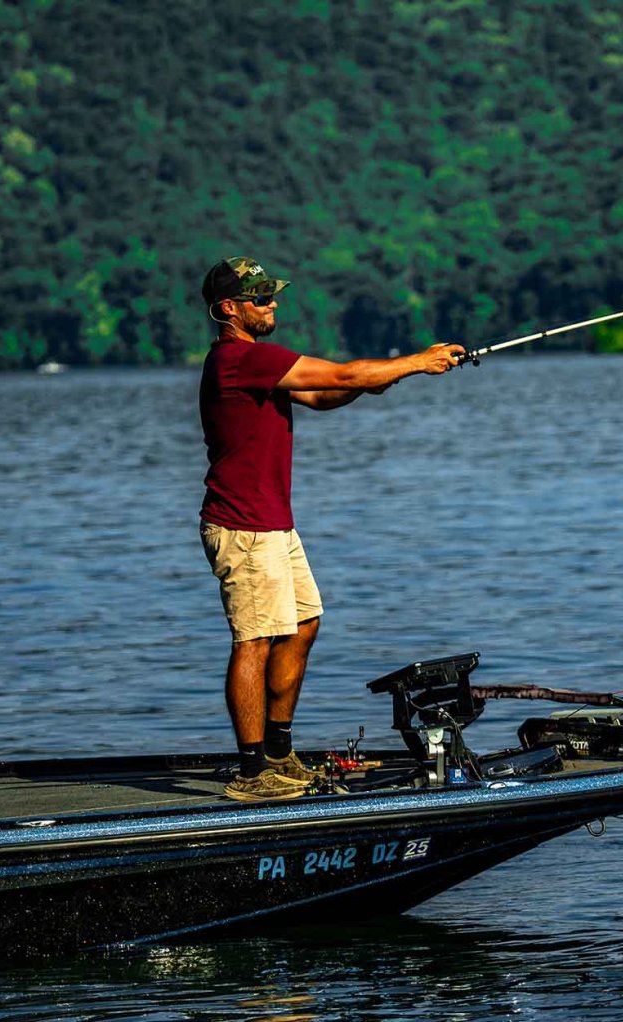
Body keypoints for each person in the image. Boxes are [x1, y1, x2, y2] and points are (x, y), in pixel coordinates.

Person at [197, 256, 465, 801]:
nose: (271, 304)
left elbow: (323, 395)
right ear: (229, 309)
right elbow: (342, 374)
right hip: (243, 527)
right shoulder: (236, 359)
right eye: (258, 297)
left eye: (272, 295)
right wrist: (413, 362)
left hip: (273, 525)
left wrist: (375, 382)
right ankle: (253, 773)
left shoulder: (260, 365)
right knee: (253, 640)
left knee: (302, 625)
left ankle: (278, 751)